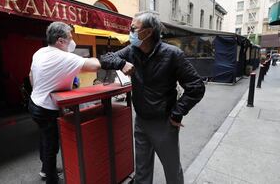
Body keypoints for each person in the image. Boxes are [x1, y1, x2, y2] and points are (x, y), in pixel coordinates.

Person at [100, 11, 205, 184]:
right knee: (142, 171)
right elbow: (105, 58)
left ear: (148, 32)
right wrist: (122, 63)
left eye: (133, 28)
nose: (130, 31)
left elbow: (196, 87)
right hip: (141, 121)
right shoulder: (132, 50)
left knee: (172, 170)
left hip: (164, 123)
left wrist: (177, 113)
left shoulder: (172, 54)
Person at [28, 21, 101, 184]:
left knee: (44, 138)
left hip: (34, 103)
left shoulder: (40, 52)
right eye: (70, 37)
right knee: (51, 145)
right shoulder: (65, 57)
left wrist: (42, 91)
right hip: (47, 108)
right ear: (60, 41)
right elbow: (95, 65)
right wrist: (95, 57)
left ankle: (45, 168)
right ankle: (51, 178)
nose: (72, 40)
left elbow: (31, 76)